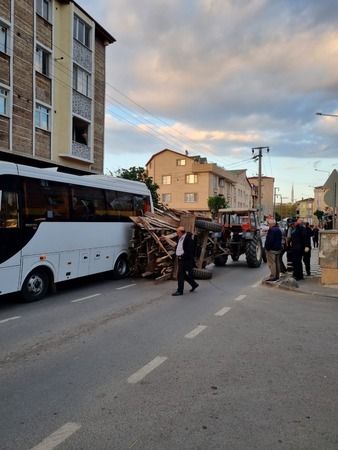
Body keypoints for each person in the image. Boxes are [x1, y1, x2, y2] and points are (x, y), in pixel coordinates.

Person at [172, 226, 199, 296]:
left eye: (177, 232)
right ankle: (194, 284)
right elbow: (179, 247)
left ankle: (180, 291)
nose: (177, 233)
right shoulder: (180, 239)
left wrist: (182, 256)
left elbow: (189, 251)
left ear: (181, 232)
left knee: (180, 275)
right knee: (183, 275)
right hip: (180, 259)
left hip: (185, 260)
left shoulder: (188, 239)